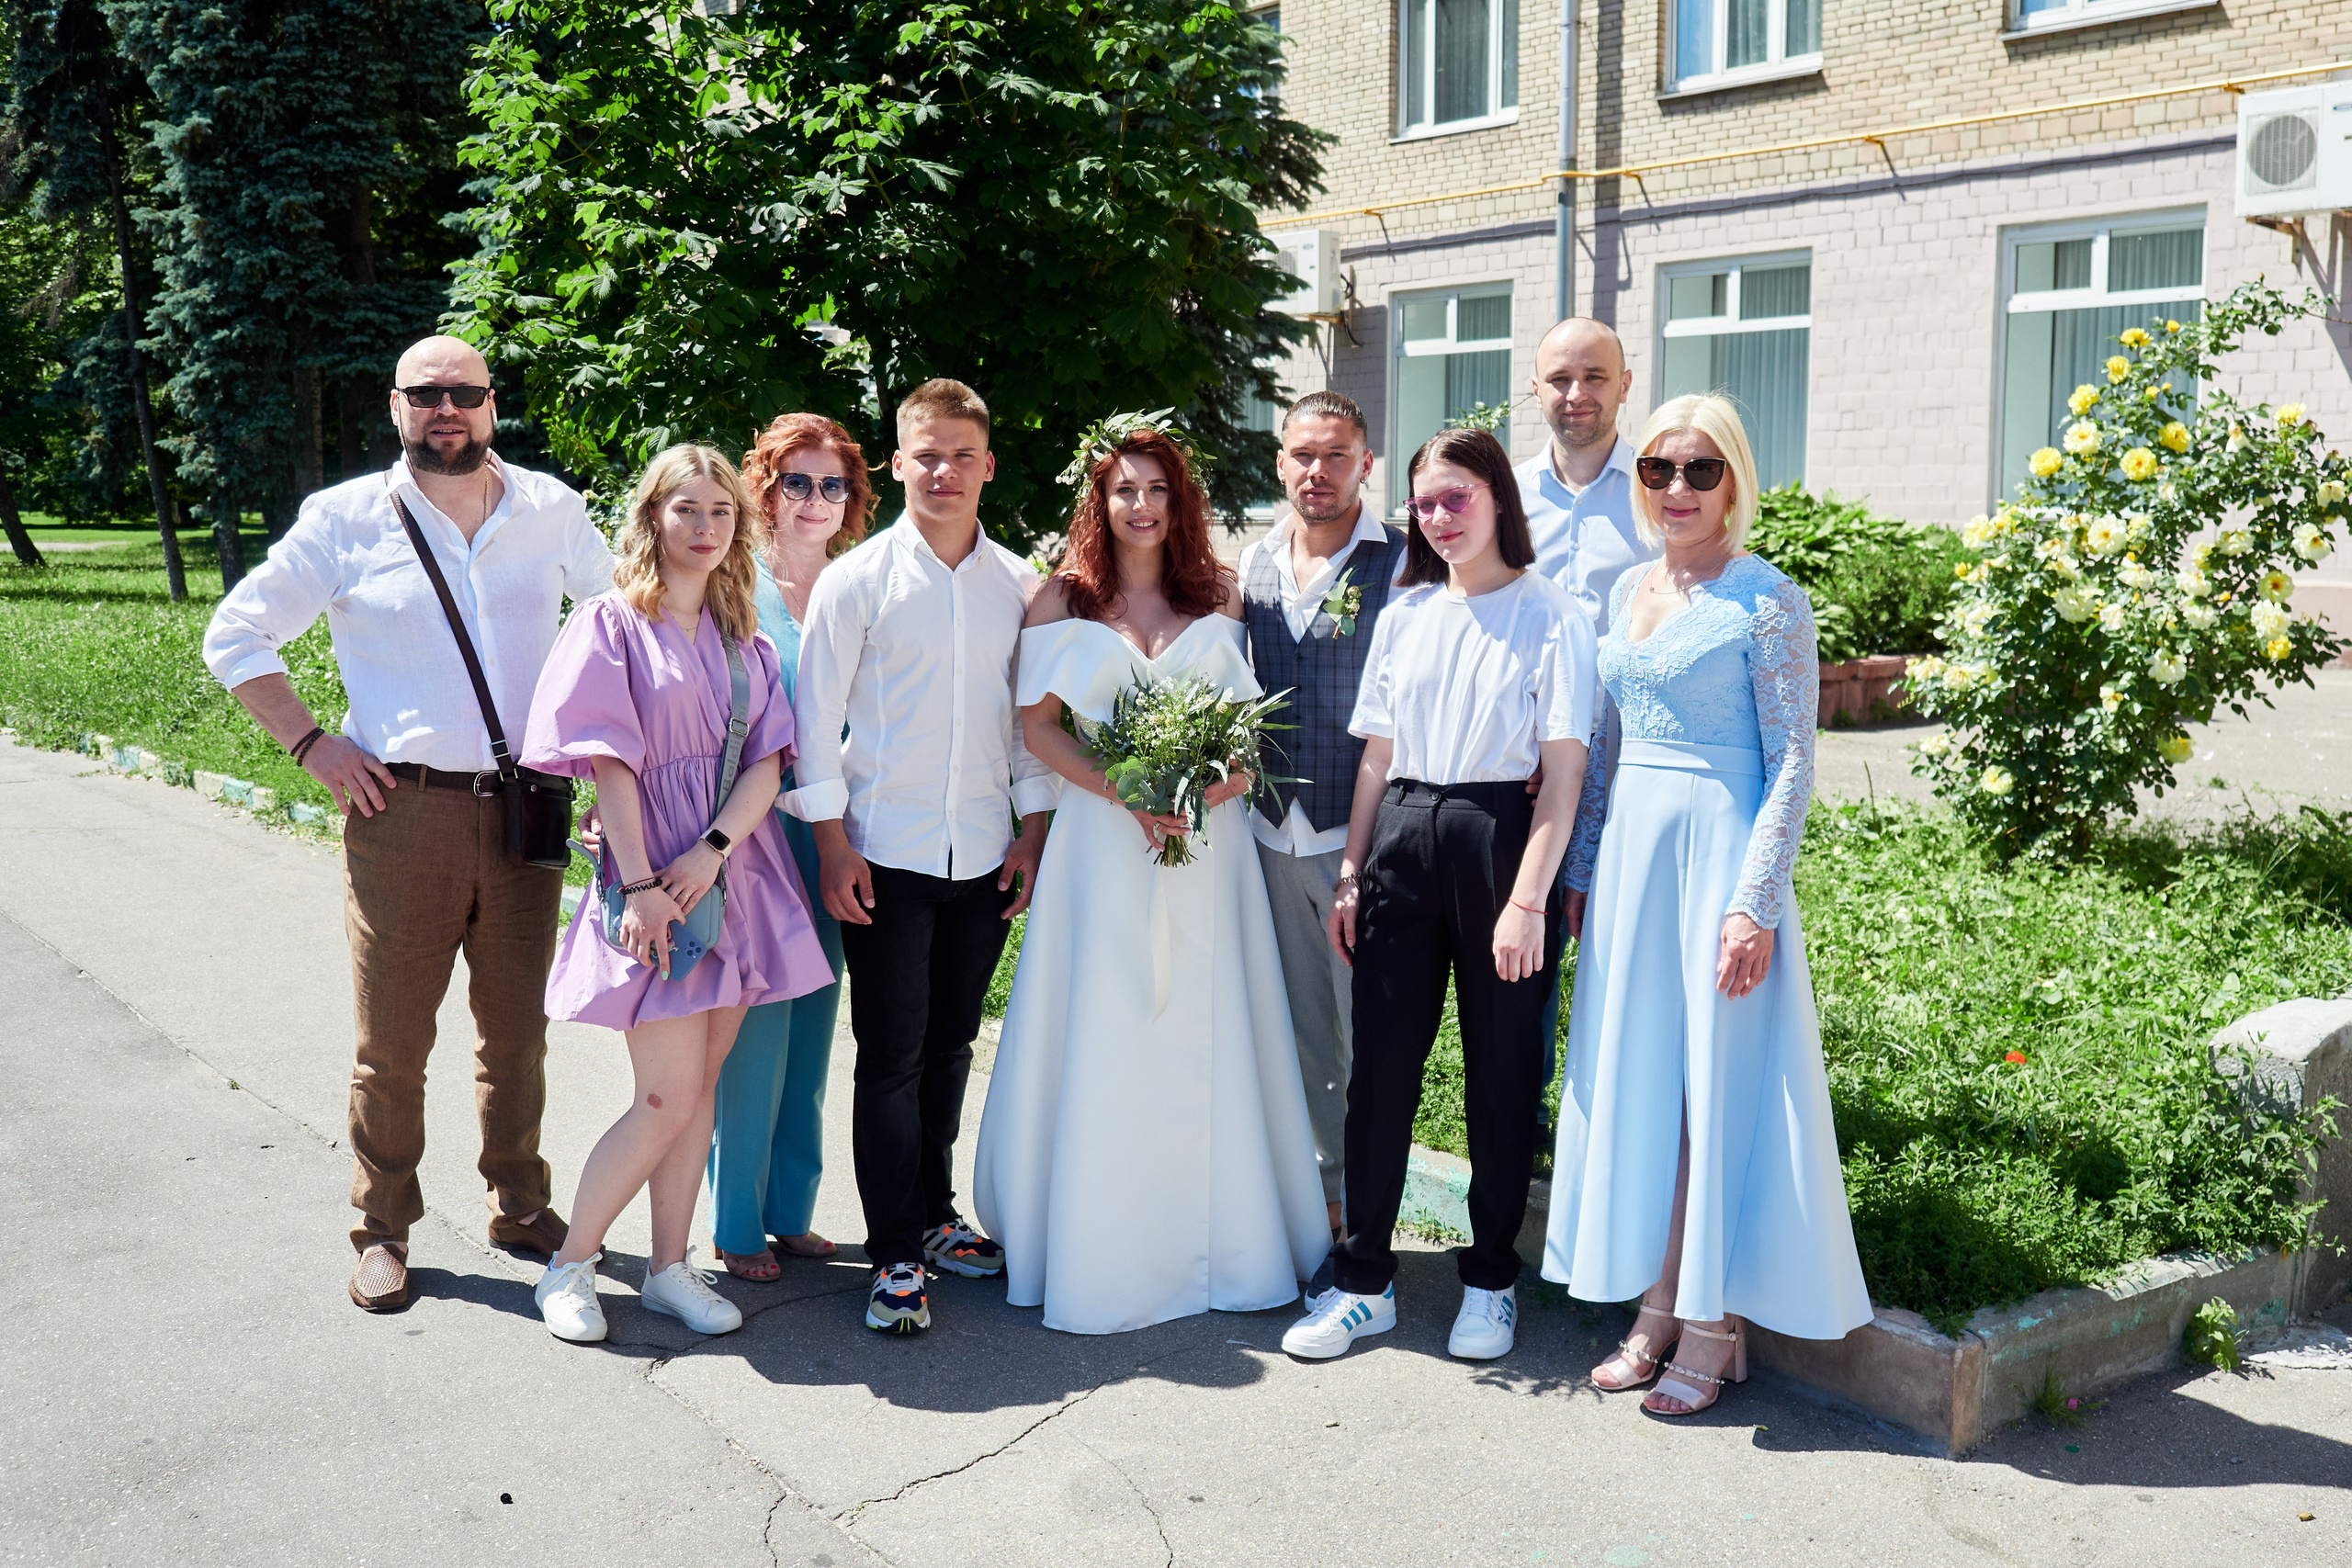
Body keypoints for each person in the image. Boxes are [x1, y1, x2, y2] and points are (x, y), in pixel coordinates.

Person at [203, 334, 614, 1314]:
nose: (447, 409)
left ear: (491, 404)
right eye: (426, 394)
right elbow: (236, 635)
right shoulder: (345, 520)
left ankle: (519, 1204)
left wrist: (611, 773)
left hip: (527, 814)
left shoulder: (552, 511)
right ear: (395, 407)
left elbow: (616, 635)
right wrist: (312, 744)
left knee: (516, 1038)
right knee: (392, 1046)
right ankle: (380, 1228)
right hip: (402, 814)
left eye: (464, 393)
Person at [1544, 394, 1871, 1416]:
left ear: (1733, 479)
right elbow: (1601, 751)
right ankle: (1656, 1301)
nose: (1676, 489)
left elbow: (1791, 765)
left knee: (1713, 1089)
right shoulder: (1626, 591)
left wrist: (1753, 904)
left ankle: (1712, 1322)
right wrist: (1582, 872)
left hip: (1719, 857)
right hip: (1634, 861)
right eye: (1656, 470)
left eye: (1698, 470)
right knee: (1647, 1082)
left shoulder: (1766, 597)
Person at [974, 419, 1329, 1334]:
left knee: (1206, 1028)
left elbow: (1254, 733)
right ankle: (1101, 1240)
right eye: (1123, 490)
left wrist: (1215, 785)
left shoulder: (1216, 595)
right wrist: (1126, 791)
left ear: (1180, 502)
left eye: (1157, 490)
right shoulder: (1062, 599)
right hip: (1103, 846)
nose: (1140, 505)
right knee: (1106, 1024)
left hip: (1206, 854)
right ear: (1098, 500)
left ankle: (1224, 1242)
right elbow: (1039, 728)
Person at [1283, 427, 1595, 1365]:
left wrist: (1528, 900)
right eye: (1423, 501)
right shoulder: (1406, 609)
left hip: (1501, 840)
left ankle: (1491, 1280)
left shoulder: (1554, 615)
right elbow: (1377, 754)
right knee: (1379, 1072)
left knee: (1501, 1077)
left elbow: (1565, 775)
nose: (1438, 516)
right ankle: (1363, 1281)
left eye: (1456, 496)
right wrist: (1351, 869)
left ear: (1498, 496)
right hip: (1402, 839)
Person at [522, 445, 835, 1344]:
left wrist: (711, 852)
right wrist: (644, 884)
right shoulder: (611, 624)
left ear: (739, 527)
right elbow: (609, 763)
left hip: (735, 879)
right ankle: (570, 1265)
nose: (703, 528)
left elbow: (769, 764)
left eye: (720, 513)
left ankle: (667, 1269)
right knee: (661, 1097)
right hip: (650, 880)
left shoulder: (747, 643)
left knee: (697, 1093)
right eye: (685, 509)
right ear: (652, 516)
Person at [786, 378, 1056, 1335]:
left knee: (950, 1048)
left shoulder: (1020, 587)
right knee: (890, 1056)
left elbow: (1031, 730)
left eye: (961, 456)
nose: (943, 471)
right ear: (898, 464)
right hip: (882, 853)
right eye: (925, 454)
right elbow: (812, 723)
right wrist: (829, 842)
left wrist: (1031, 834)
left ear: (987, 467)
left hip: (985, 853)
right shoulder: (855, 582)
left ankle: (936, 1218)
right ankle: (893, 1254)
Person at [1236, 391, 1408, 1246]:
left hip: (1360, 839)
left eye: (1336, 455)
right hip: (1269, 836)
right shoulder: (1252, 563)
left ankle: (1373, 1211)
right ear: (1280, 462)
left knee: (1368, 1035)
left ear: (1366, 464)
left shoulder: (1408, 564)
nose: (1318, 471)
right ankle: (1327, 1202)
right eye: (1303, 454)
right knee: (1304, 1035)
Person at [704, 414, 869, 1282]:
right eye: (796, 482)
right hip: (752, 832)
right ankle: (734, 1222)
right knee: (755, 1029)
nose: (814, 500)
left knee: (814, 1023)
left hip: (835, 831)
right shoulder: (734, 587)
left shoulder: (854, 585)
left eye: (831, 484)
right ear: (764, 491)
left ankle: (789, 1211)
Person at [1513, 318, 1656, 631]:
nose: (1576, 394)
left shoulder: (1661, 491)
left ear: (1624, 385)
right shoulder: (1505, 496)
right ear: (1537, 391)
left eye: (1594, 377)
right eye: (1560, 379)